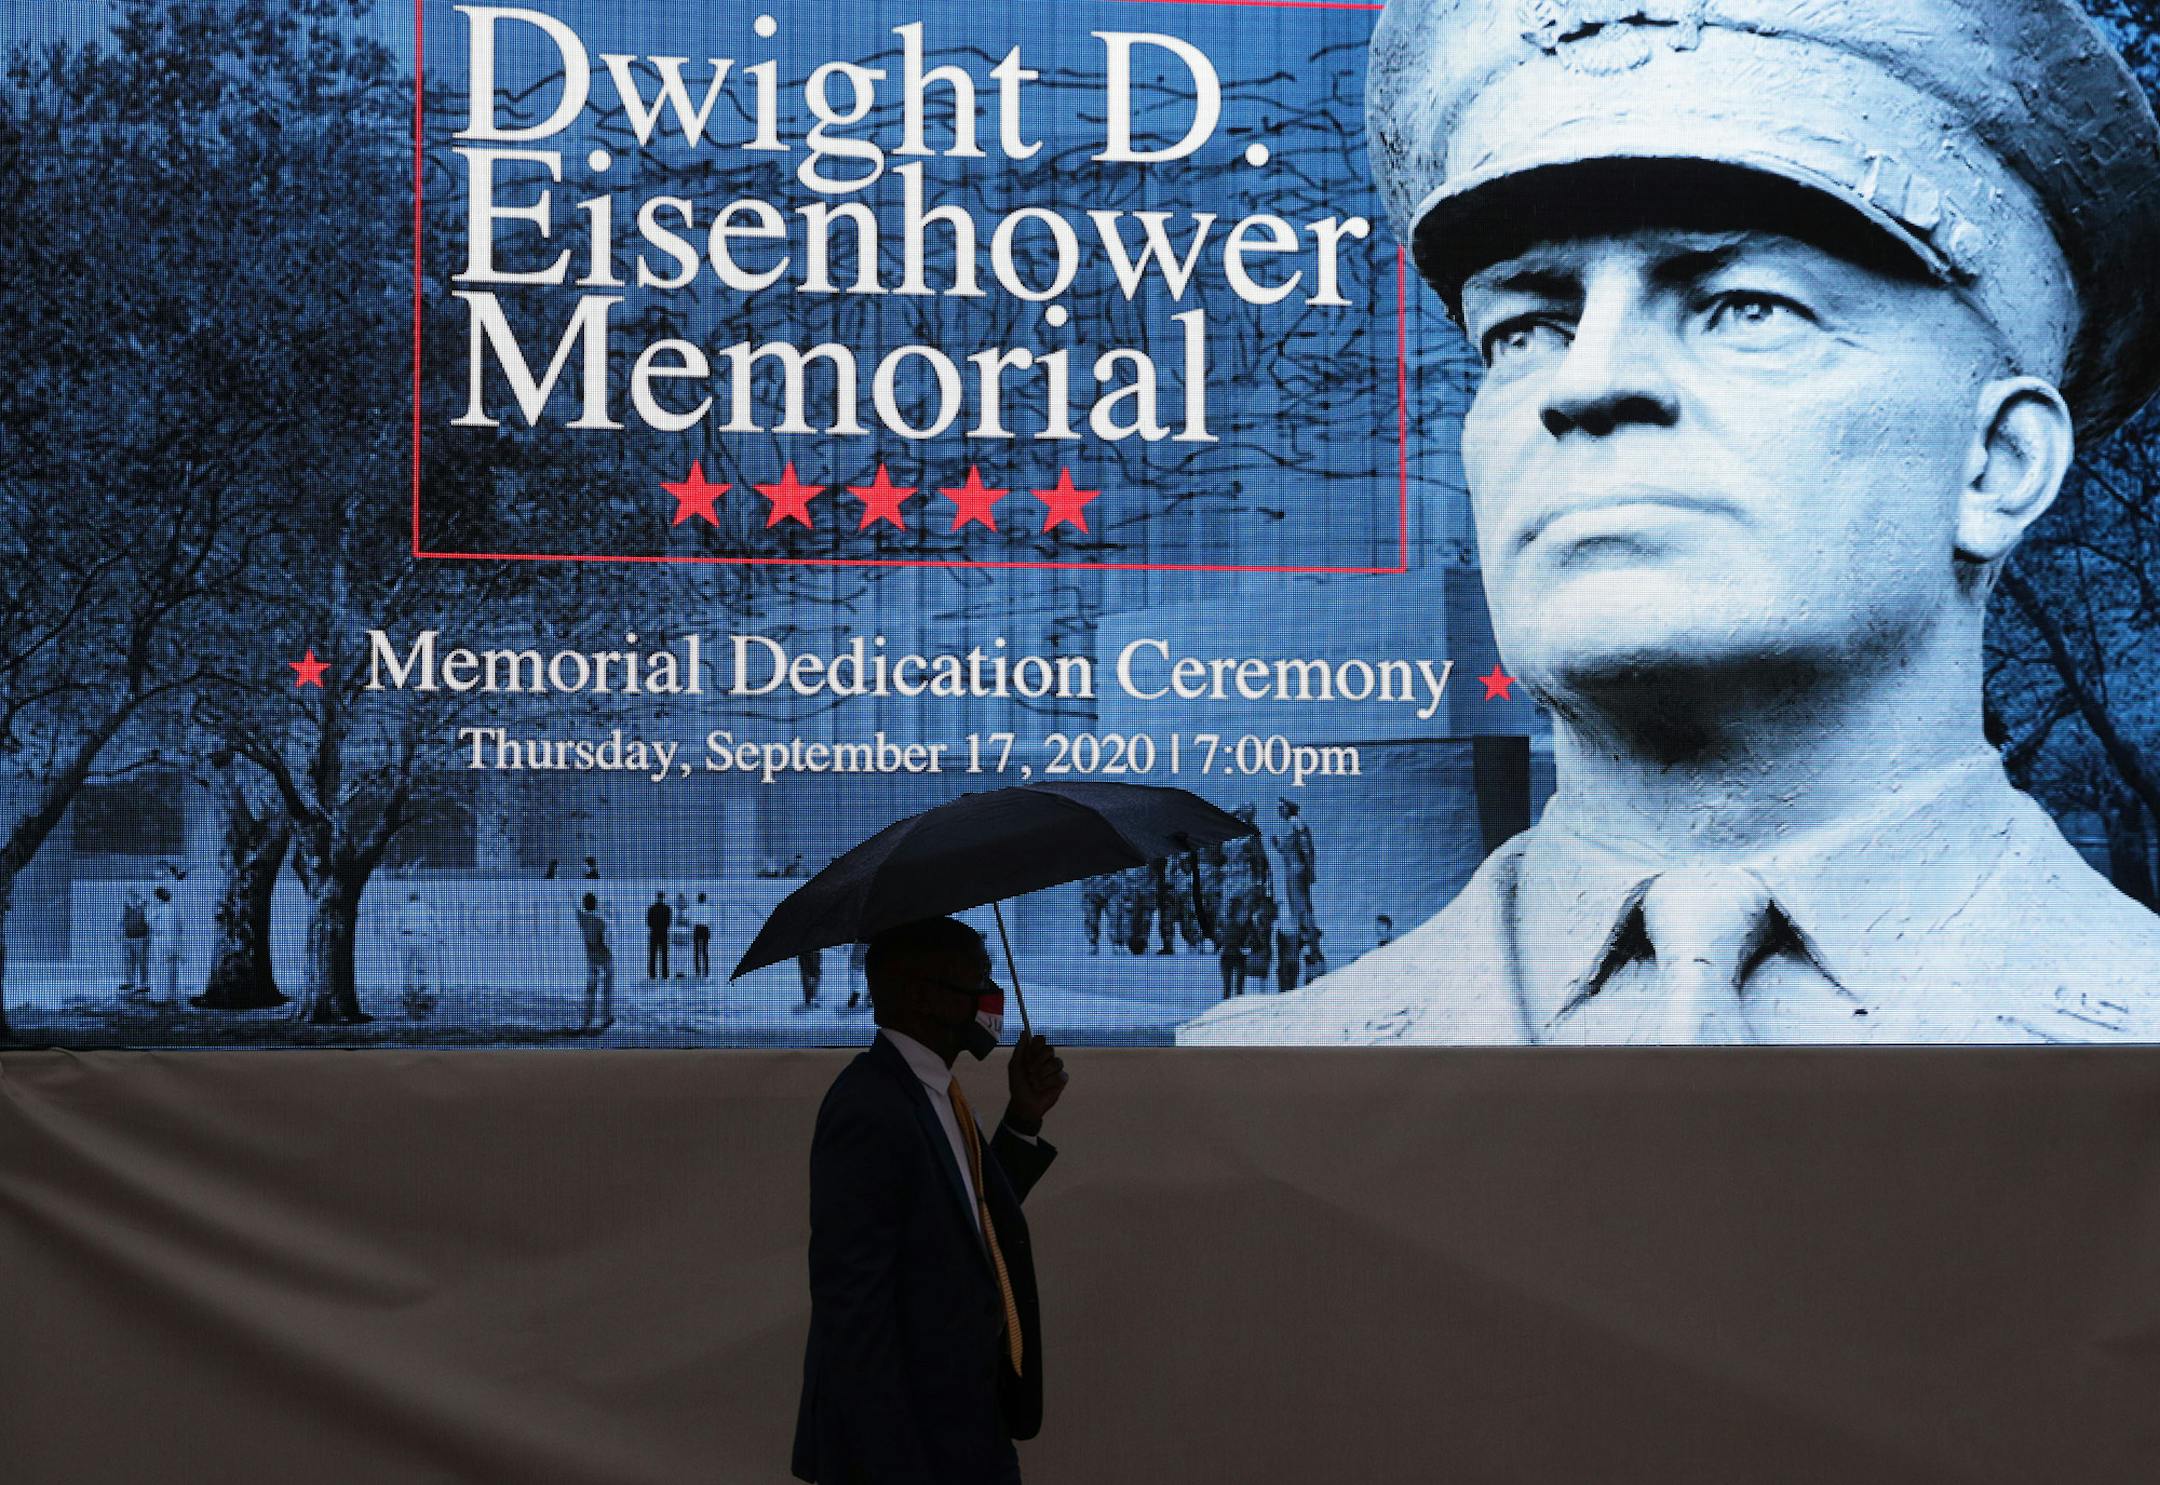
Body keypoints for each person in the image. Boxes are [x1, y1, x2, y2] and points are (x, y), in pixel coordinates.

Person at [1184, 0, 2160, 1046]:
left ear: (1997, 465)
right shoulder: (1254, 1081)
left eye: (1749, 307)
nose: (1586, 383)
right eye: (1524, 330)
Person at [792, 917, 1068, 1485]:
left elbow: (969, 1223)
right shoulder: (869, 1107)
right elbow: (855, 1319)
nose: (990, 995)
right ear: (921, 995)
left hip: (966, 1429)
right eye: (977, 976)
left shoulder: (934, 1090)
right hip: (916, 1451)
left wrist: (1024, 1117)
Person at [397, 888, 440, 1018]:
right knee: (422, 965)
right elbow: (435, 923)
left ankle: (408, 988)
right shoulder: (426, 907)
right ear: (419, 898)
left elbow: (398, 924)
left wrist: (395, 941)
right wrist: (440, 938)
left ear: (410, 898)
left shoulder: (404, 907)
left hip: (407, 937)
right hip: (422, 937)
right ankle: (422, 986)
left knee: (407, 966)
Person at [575, 892, 614, 1033]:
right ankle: (607, 1017)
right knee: (607, 990)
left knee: (590, 991)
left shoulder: (582, 919)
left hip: (592, 961)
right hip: (606, 960)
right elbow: (607, 943)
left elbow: (574, 905)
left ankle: (587, 1020)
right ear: (596, 904)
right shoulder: (601, 921)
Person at [145, 886, 182, 1008]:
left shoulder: (159, 911)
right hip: (173, 944)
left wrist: (148, 910)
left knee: (160, 970)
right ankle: (171, 996)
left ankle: (161, 997)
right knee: (171, 971)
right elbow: (179, 929)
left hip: (161, 944)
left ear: (159, 898)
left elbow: (151, 924)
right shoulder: (174, 910)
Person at [119, 889, 150, 996]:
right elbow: (121, 924)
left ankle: (143, 984)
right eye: (129, 897)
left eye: (133, 897)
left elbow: (149, 923)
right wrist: (123, 937)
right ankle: (130, 982)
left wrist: (147, 938)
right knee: (128, 962)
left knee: (142, 962)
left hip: (141, 939)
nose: (131, 899)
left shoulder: (144, 908)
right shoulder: (126, 909)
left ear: (137, 898)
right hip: (128, 939)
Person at [646, 891, 672, 981]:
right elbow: (669, 923)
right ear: (663, 898)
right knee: (664, 954)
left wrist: (654, 926)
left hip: (654, 933)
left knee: (653, 954)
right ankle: (665, 974)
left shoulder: (651, 908)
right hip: (664, 933)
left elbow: (648, 922)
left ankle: (652, 974)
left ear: (657, 897)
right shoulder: (667, 909)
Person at [670, 891, 692, 979]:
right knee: (680, 954)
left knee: (679, 954)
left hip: (681, 935)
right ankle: (679, 971)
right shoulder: (685, 911)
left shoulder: (676, 911)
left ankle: (680, 971)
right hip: (680, 935)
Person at [691, 892, 713, 979]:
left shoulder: (694, 908)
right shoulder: (708, 908)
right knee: (704, 951)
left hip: (697, 929)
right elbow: (710, 920)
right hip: (705, 929)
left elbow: (692, 919)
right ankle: (706, 971)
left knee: (696, 951)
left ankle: (697, 971)